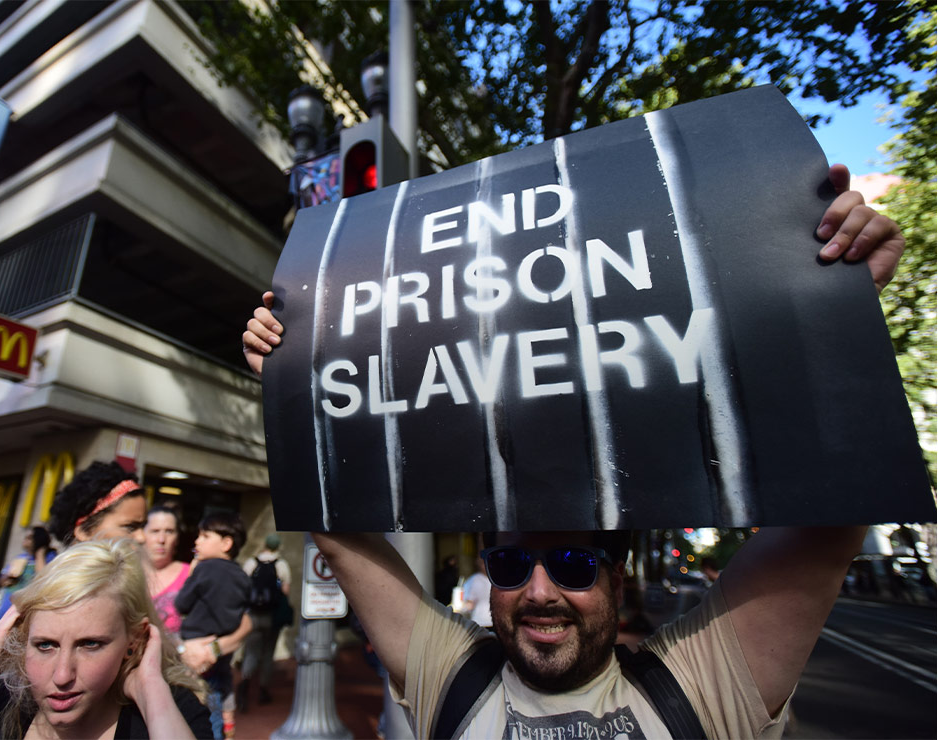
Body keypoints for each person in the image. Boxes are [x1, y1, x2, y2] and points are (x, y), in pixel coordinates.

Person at [242, 164, 906, 737]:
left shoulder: (706, 690)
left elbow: (833, 511)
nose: (538, 592)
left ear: (617, 577)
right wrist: (294, 371)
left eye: (570, 563)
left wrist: (838, 310)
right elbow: (332, 524)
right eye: (506, 564)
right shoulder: (452, 678)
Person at [0, 539, 213, 739]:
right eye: (45, 645)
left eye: (90, 644)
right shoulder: (8, 702)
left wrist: (150, 689)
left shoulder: (171, 713)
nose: (62, 676)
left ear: (134, 640)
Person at [47, 462, 252, 711]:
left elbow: (244, 621)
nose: (147, 538)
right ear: (83, 530)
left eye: (169, 531)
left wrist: (211, 648)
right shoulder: (56, 596)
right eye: (132, 527)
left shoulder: (188, 573)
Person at [175, 513, 251, 740]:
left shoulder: (204, 569)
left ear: (226, 543)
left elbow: (181, 604)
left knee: (193, 708)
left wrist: (191, 574)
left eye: (205, 536)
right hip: (221, 652)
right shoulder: (242, 576)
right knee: (219, 694)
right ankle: (226, 723)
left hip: (192, 650)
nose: (197, 541)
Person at [237, 533, 292, 711]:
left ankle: (244, 687)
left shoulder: (252, 562)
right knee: (268, 653)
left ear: (265, 545)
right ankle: (263, 690)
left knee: (251, 652)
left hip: (253, 615)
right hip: (271, 616)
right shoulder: (281, 564)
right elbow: (285, 590)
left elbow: (244, 586)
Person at [143, 505, 190, 636]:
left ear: (177, 537)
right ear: (141, 534)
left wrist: (214, 648)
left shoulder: (191, 574)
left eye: (169, 531)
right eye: (155, 531)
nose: (162, 539)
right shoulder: (125, 573)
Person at [0, 526, 55, 619]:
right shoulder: (20, 557)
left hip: (27, 613)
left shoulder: (50, 557)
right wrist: (7, 579)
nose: (25, 540)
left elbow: (43, 579)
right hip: (7, 609)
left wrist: (40, 554)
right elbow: (0, 581)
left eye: (29, 537)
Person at [461, 556, 493, 629]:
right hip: (486, 622)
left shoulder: (473, 580)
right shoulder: (474, 580)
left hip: (481, 622)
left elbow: (469, 605)